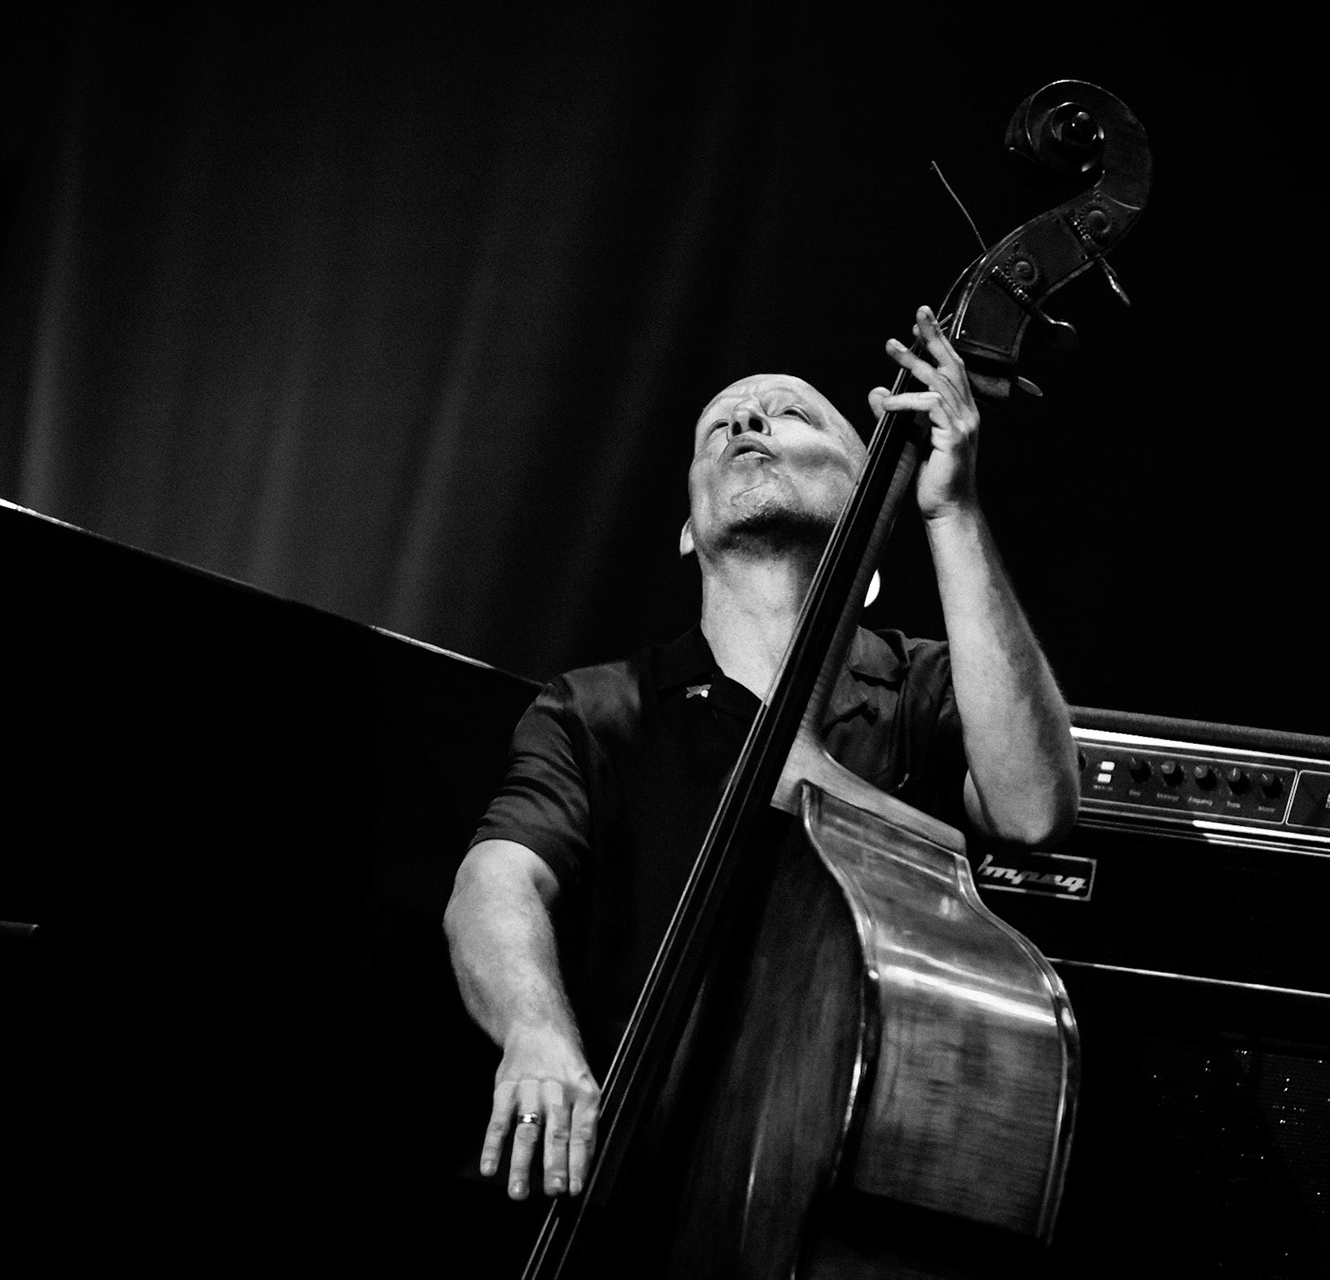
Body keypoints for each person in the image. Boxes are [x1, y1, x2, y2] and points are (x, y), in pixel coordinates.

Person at [442, 305, 1080, 1206]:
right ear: (688, 529)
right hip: (626, 1185)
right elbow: (497, 881)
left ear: (869, 492)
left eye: (791, 414)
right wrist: (535, 1030)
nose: (746, 420)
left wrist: (952, 509)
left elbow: (1032, 809)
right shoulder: (600, 708)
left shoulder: (926, 688)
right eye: (719, 427)